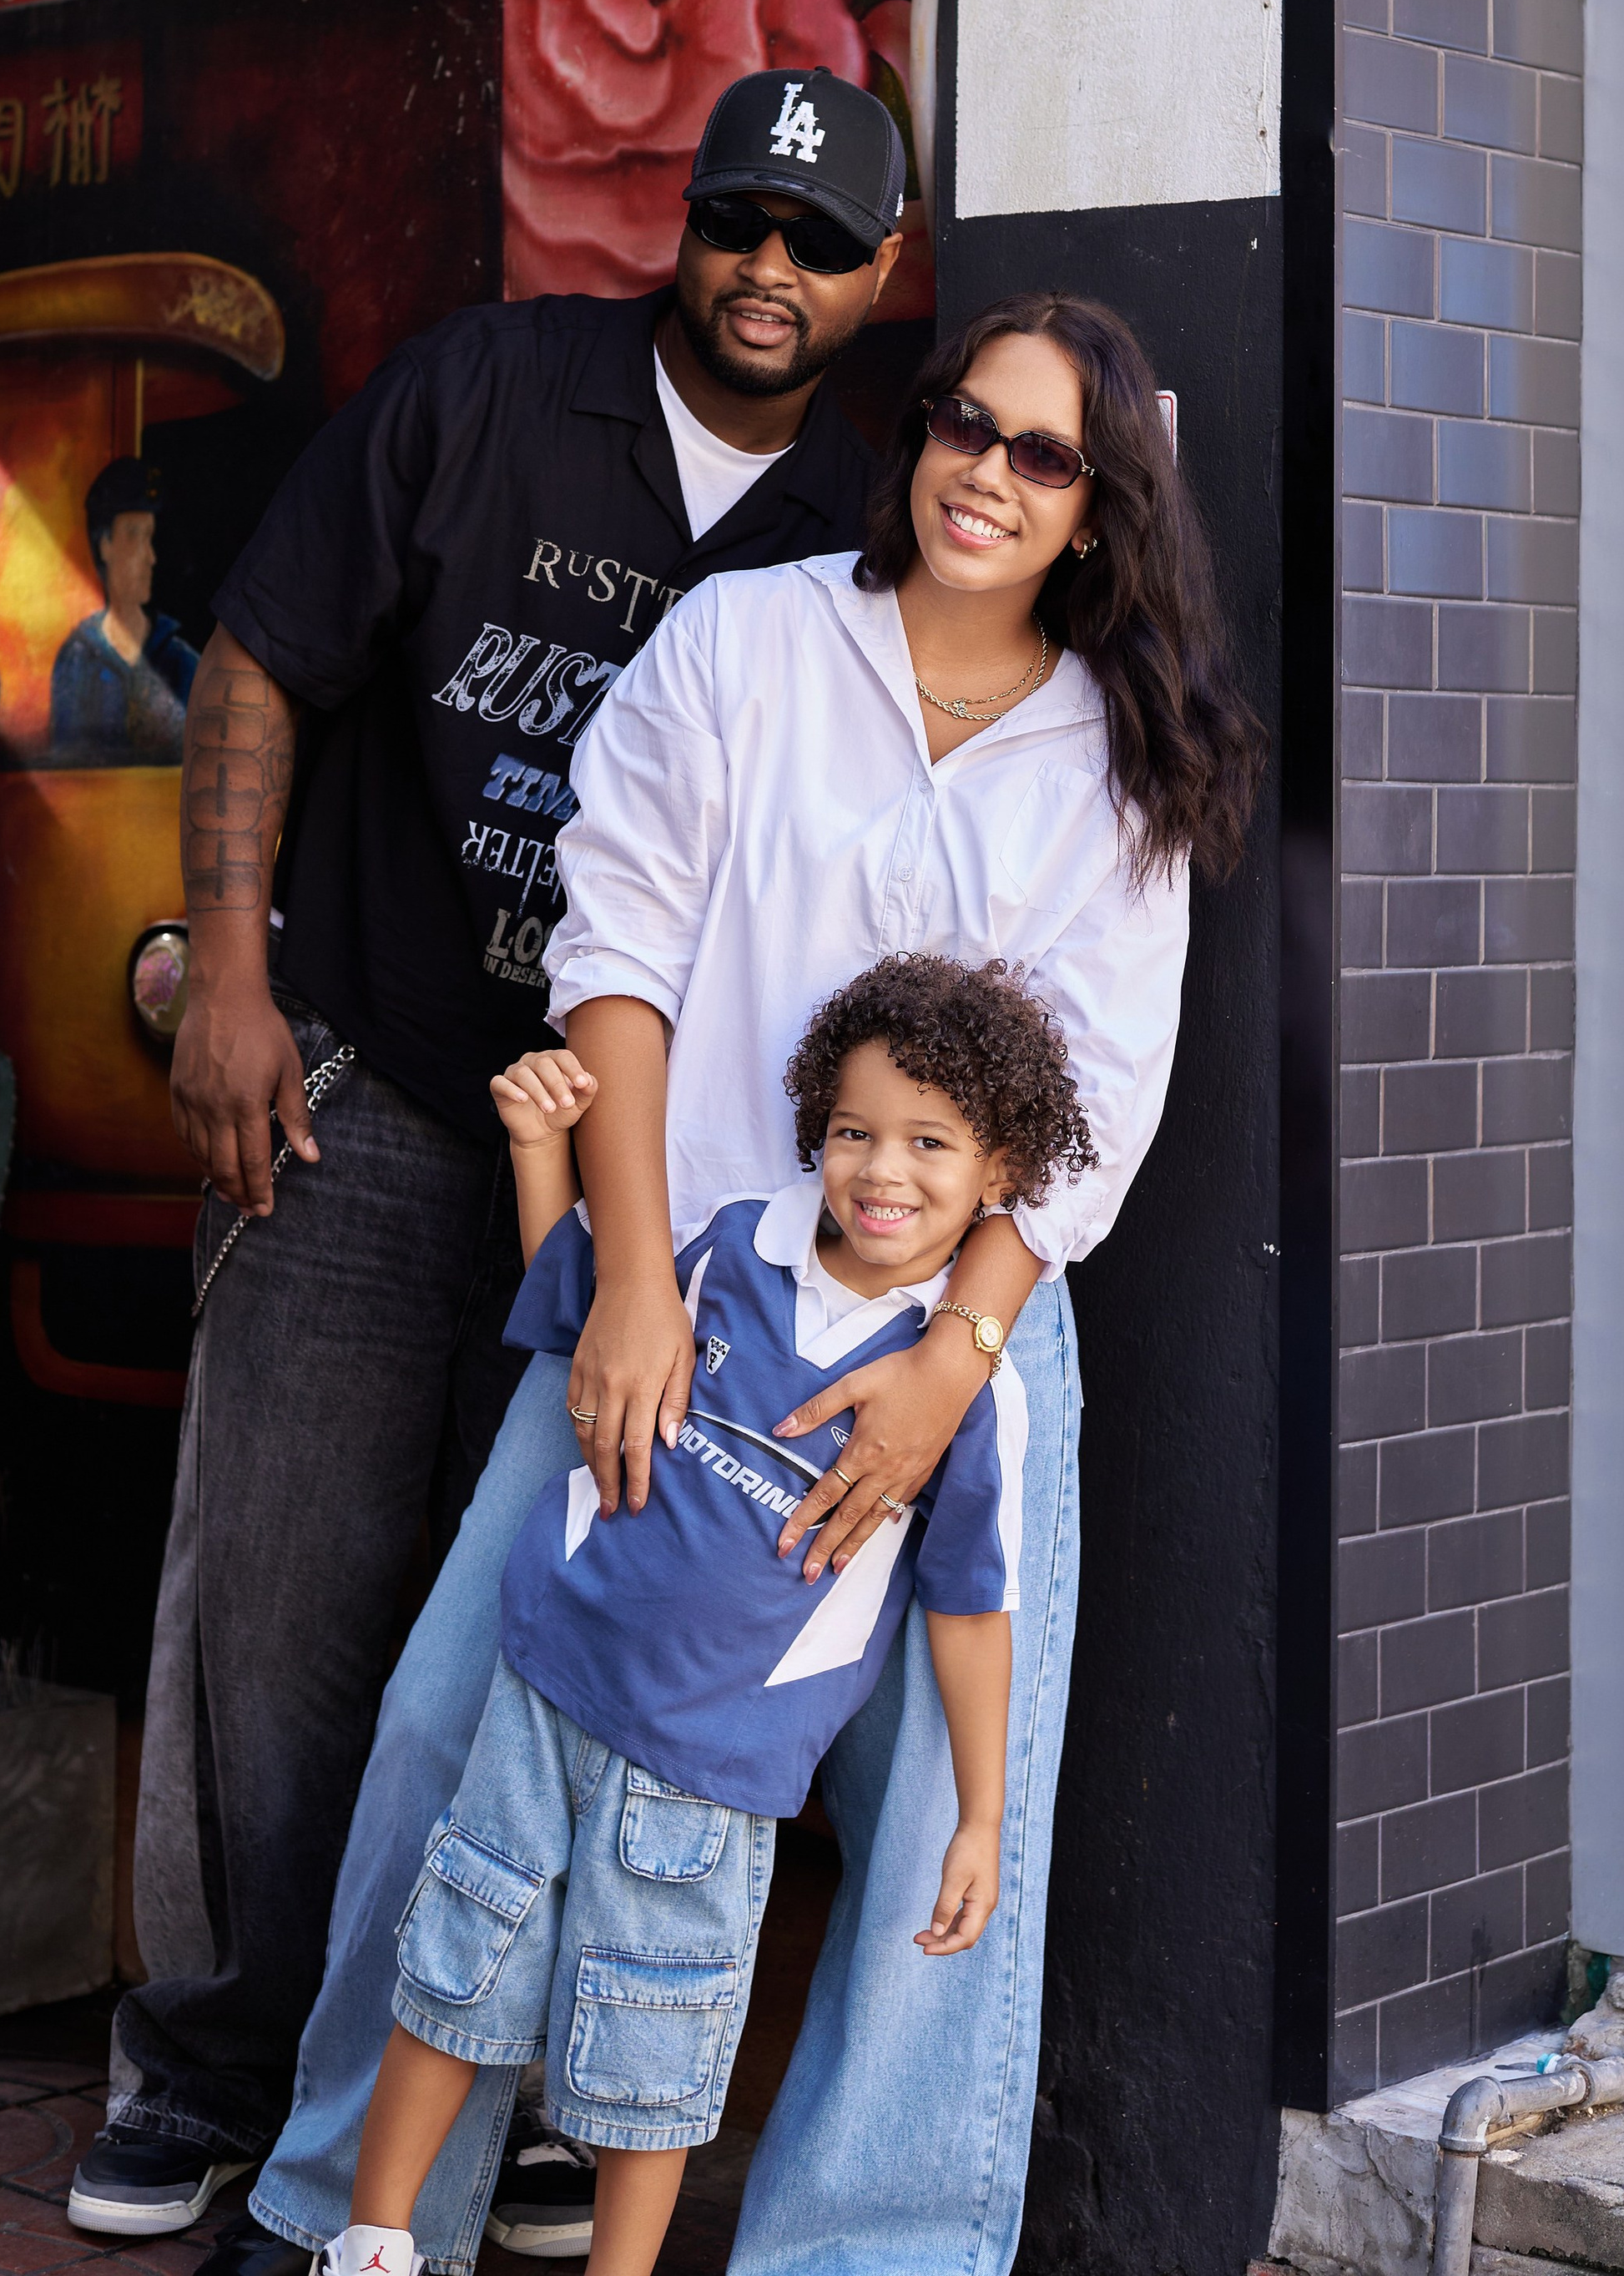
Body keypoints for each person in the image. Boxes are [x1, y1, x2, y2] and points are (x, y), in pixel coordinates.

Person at [240, 289, 1263, 2276]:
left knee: (939, 1823)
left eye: (1041, 451)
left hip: (951, 1327)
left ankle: (867, 2247)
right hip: (682, 1281)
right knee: (456, 1718)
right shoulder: (745, 639)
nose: (984, 468)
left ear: (1100, 504)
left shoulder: (1119, 758)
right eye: (963, 421)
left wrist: (949, 1363)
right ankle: (343, 2215)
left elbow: (1096, 1110)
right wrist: (626, 1278)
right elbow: (608, 960)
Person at [68, 67, 910, 2250]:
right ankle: (207, 2067)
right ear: (685, 224)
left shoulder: (875, 504)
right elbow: (258, 649)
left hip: (657, 1169)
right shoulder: (495, 391)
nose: (767, 269)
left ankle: (517, 2082)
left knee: (567, 1636)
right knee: (274, 1599)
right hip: (368, 1077)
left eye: (819, 241)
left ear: (880, 270)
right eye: (739, 220)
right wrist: (234, 971)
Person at [320, 949, 1089, 2276]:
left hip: (711, 1772)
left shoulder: (965, 1396)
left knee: (653, 2038)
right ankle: (373, 2241)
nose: (881, 1169)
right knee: (456, 1964)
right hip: (548, 1680)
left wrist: (978, 1814)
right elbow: (576, 1310)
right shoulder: (731, 1241)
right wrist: (535, 1149)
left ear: (1001, 1172)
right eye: (854, 1131)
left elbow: (971, 1610)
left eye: (929, 1141)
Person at [48, 456, 201, 763]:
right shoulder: (77, 660)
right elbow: (66, 781)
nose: (150, 557)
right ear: (105, 544)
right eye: (134, 535)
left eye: (150, 537)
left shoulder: (182, 662)